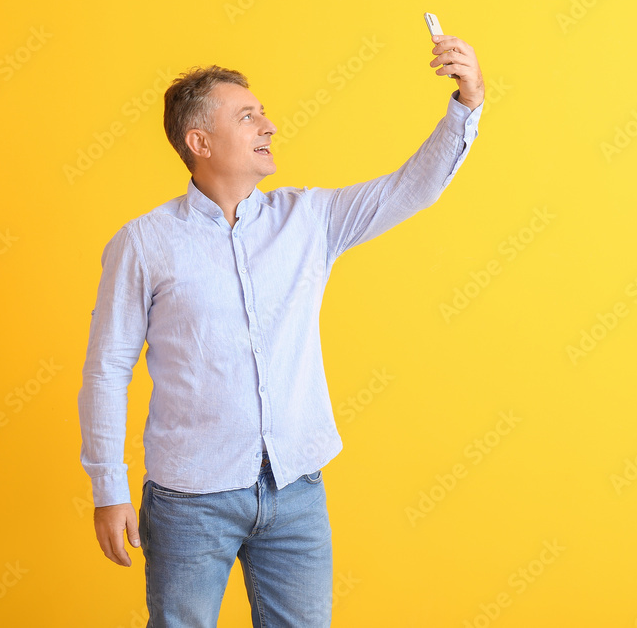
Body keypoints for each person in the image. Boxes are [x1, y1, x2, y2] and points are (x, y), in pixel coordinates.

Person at [77, 30, 484, 626]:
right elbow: (108, 368)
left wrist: (466, 103)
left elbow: (411, 189)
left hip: (297, 491)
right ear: (200, 141)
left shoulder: (310, 219)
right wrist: (108, 489)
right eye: (248, 116)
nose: (269, 125)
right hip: (190, 500)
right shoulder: (144, 244)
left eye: (262, 113)